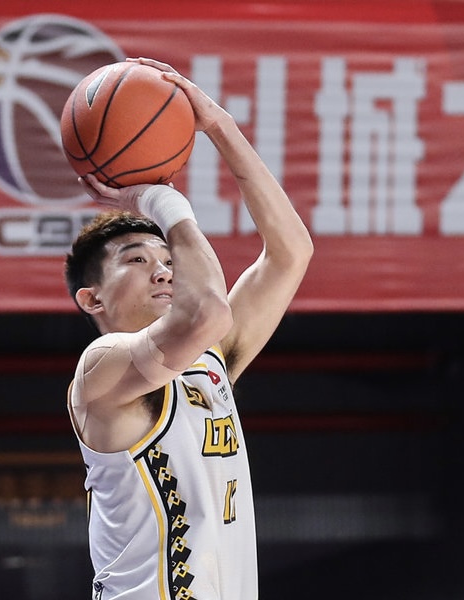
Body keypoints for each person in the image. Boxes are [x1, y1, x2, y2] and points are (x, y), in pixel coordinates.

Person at [64, 57, 313, 600]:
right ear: (93, 298)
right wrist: (160, 202)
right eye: (135, 259)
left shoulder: (209, 359)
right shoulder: (100, 373)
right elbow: (206, 312)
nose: (162, 269)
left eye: (166, 258)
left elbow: (291, 253)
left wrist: (221, 128)